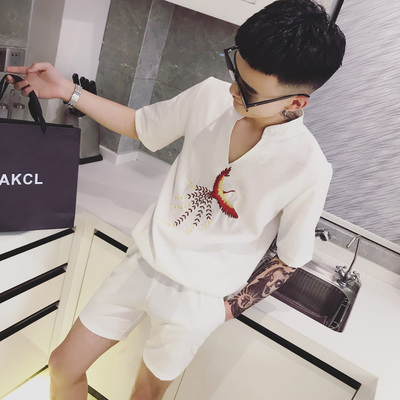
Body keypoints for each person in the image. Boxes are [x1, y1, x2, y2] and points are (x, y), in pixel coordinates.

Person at [7, 0, 346, 399]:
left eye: (249, 91)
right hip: (142, 264)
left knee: (145, 395)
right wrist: (68, 90)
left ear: (296, 102)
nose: (233, 90)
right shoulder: (210, 96)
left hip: (198, 302)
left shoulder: (308, 168)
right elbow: (140, 125)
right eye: (235, 72)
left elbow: (289, 257)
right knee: (63, 365)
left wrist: (224, 310)